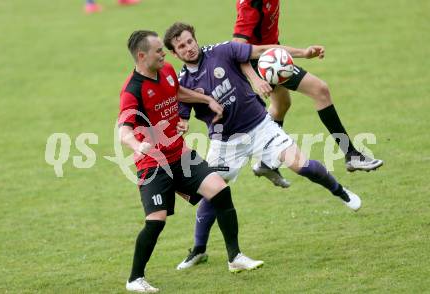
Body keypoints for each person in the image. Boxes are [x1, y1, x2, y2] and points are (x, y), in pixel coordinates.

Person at [163, 22, 362, 270]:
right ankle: (199, 250)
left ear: (195, 38)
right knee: (211, 193)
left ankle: (340, 191)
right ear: (174, 53)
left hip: (260, 127)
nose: (188, 48)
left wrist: (303, 52)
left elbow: (263, 50)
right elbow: (182, 117)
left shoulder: (223, 50)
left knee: (300, 166)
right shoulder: (183, 83)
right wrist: (181, 126)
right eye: (181, 46)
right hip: (224, 143)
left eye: (190, 41)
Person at [119, 30, 263, 292]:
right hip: (153, 165)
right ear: (142, 56)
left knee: (219, 190)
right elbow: (123, 130)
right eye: (158, 51)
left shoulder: (168, 71)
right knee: (156, 220)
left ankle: (235, 258)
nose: (164, 53)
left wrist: (206, 99)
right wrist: (136, 145)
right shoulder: (133, 90)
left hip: (180, 155)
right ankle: (134, 278)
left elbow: (178, 92)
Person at [232, 0, 383, 176]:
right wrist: (256, 80)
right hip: (264, 62)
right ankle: (351, 155)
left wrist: (301, 52)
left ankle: (267, 161)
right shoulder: (252, 3)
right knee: (320, 90)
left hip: (272, 53)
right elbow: (237, 48)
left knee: (281, 105)